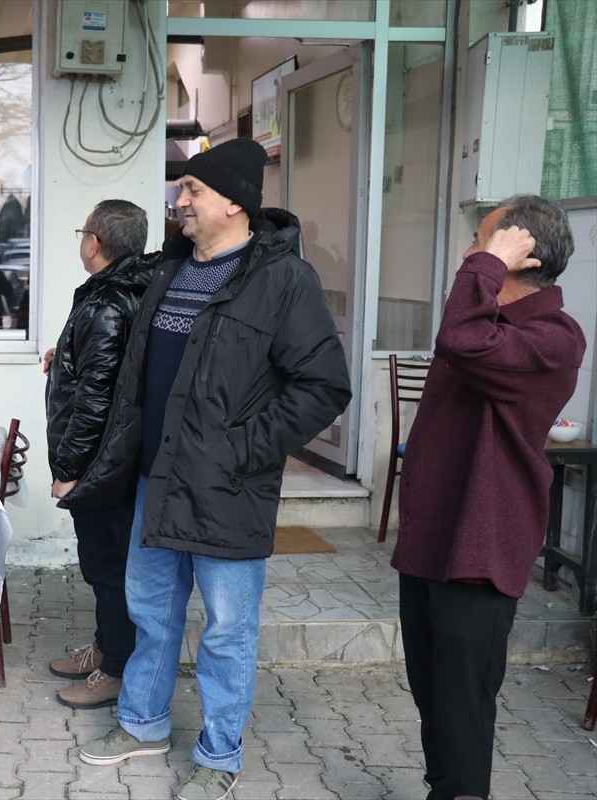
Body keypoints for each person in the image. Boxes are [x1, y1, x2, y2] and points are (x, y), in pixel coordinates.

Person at [76, 138, 351, 800]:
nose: (179, 201)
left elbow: (322, 385)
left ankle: (219, 754)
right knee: (150, 609)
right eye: (182, 190)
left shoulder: (284, 280)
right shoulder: (168, 271)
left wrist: (244, 449)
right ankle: (142, 723)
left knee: (228, 629)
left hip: (228, 488)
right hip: (155, 478)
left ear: (236, 201)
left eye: (193, 190)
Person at [390, 195, 585, 800]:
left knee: (462, 699)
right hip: (434, 537)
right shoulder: (487, 321)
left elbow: (462, 340)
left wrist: (485, 267)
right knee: (429, 686)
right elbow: (464, 335)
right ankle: (444, 787)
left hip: (481, 546)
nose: (471, 253)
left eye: (483, 240)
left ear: (521, 252)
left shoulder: (555, 337)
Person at [44, 200, 156, 710]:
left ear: (95, 242)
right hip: (115, 455)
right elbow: (102, 365)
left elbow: (96, 396)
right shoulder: (123, 291)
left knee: (107, 567)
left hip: (101, 463)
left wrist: (68, 469)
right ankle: (105, 649)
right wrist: (63, 354)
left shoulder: (108, 302)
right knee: (104, 563)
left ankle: (115, 670)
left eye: (81, 230)